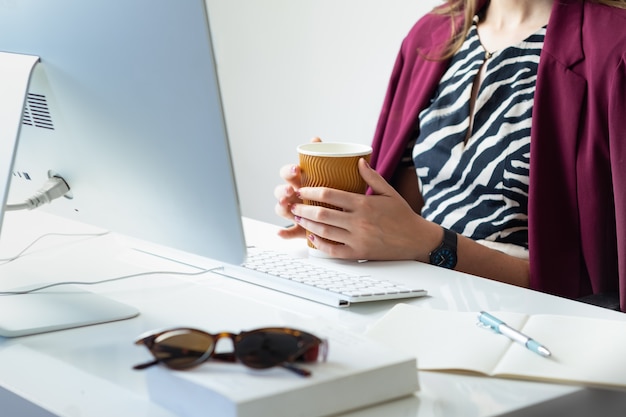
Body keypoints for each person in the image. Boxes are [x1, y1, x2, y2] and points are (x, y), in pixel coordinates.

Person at [274, 0, 626, 312]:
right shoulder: (433, 34)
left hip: (531, 320)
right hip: (420, 301)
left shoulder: (614, 45)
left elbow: (586, 283)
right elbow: (405, 214)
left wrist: (433, 245)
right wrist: (330, 215)